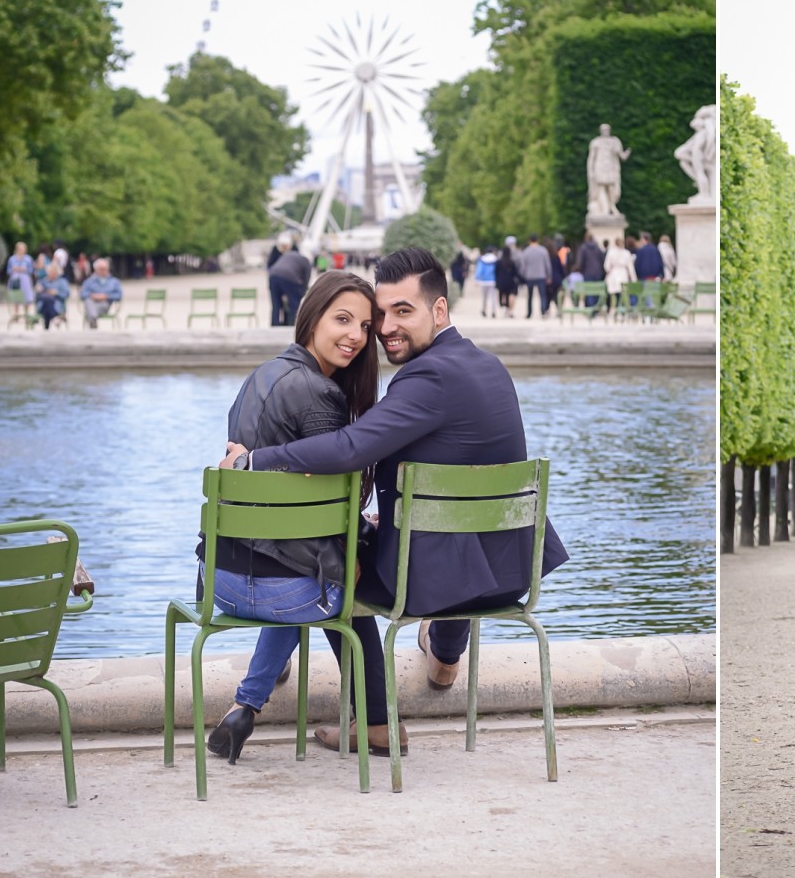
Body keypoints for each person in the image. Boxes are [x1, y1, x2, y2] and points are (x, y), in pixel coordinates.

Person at [221, 248, 570, 755]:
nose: (385, 328)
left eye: (402, 311)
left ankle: (376, 722)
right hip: (507, 568)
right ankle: (444, 652)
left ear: (440, 310)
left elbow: (350, 447)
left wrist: (256, 460)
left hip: (436, 579)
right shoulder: (489, 365)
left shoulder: (426, 378)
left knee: (332, 562)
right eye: (381, 314)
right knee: (410, 532)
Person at [202, 271, 380, 764]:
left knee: (298, 563)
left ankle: (246, 707)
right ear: (311, 317)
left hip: (221, 578)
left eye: (365, 327)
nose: (355, 336)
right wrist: (365, 530)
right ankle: (378, 720)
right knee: (342, 583)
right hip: (283, 591)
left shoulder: (255, 377)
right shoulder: (321, 393)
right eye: (342, 319)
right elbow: (332, 510)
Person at [586, 123, 630, 216]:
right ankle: (605, 209)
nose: (605, 131)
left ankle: (612, 207)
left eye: (607, 129)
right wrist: (591, 171)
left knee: (611, 188)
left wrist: (626, 153)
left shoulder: (614, 141)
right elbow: (591, 158)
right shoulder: (596, 142)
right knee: (601, 188)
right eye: (603, 129)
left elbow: (621, 156)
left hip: (611, 167)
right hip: (599, 167)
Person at [267, 236, 311, 327]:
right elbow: (305, 280)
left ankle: (275, 325)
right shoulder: (306, 262)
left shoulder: (288, 255)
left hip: (273, 276)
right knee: (294, 303)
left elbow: (273, 266)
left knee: (276, 304)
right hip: (289, 277)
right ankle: (295, 325)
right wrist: (302, 293)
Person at [79, 257, 123, 327]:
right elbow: (82, 294)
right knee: (88, 301)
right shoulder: (89, 281)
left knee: (90, 308)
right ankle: (93, 318)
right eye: (101, 269)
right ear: (96, 270)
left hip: (105, 303)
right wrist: (92, 295)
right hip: (91, 301)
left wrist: (106, 296)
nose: (103, 271)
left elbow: (119, 295)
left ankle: (92, 319)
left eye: (105, 269)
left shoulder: (114, 282)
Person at [517, 234, 551, 319]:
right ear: (537, 240)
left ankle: (529, 313)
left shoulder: (526, 251)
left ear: (529, 240)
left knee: (529, 296)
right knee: (542, 295)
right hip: (541, 275)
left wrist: (523, 275)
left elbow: (523, 266)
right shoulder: (543, 250)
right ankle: (543, 311)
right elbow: (547, 265)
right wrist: (549, 276)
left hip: (530, 276)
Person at [604, 236, 636, 315]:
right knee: (624, 293)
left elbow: (606, 266)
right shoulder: (626, 253)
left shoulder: (611, 252)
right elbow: (630, 268)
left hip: (614, 274)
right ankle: (624, 309)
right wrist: (633, 279)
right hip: (623, 274)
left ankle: (614, 308)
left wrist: (609, 271)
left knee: (614, 294)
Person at [33, 263, 70, 329]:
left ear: (57, 273)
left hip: (57, 305)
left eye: (53, 272)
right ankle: (53, 318)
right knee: (47, 300)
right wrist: (38, 291)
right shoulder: (42, 281)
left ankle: (48, 324)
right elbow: (36, 297)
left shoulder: (62, 282)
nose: (51, 274)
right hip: (43, 306)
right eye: (49, 272)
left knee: (49, 301)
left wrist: (57, 293)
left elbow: (67, 294)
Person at [6, 240, 36, 313]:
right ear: (17, 249)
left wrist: (24, 270)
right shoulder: (12, 259)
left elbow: (32, 270)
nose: (22, 250)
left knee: (26, 296)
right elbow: (8, 270)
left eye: (23, 249)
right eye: (20, 249)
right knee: (16, 296)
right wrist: (14, 269)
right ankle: (16, 314)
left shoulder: (28, 259)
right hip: (15, 279)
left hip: (25, 280)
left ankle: (26, 313)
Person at [496, 243, 518, 317]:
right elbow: (515, 273)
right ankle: (509, 309)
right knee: (510, 295)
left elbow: (496, 272)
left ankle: (503, 306)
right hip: (510, 281)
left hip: (501, 281)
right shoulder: (511, 262)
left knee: (502, 294)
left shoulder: (499, 262)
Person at [475, 246, 498, 317]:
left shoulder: (482, 259)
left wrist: (477, 279)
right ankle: (493, 311)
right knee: (493, 297)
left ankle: (484, 310)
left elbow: (479, 271)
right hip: (493, 281)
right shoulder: (495, 259)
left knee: (484, 297)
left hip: (484, 281)